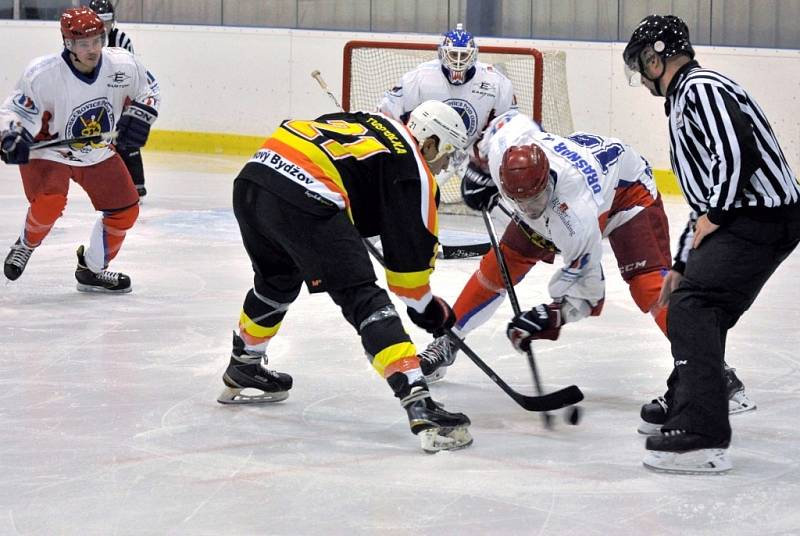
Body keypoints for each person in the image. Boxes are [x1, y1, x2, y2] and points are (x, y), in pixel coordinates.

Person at [215, 100, 474, 453]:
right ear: (429, 143)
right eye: (446, 155)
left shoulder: (373, 122)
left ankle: (244, 364)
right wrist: (433, 313)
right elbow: (408, 283)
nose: (445, 165)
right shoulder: (414, 170)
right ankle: (419, 403)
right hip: (304, 195)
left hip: (254, 178)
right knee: (363, 298)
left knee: (276, 280)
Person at [623, 14, 800, 473]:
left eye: (640, 67)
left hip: (760, 217)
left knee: (693, 307)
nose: (641, 80)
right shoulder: (684, 100)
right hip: (753, 218)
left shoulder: (700, 87)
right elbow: (702, 199)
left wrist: (719, 214)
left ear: (655, 56)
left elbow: (737, 150)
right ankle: (687, 396)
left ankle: (702, 436)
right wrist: (681, 263)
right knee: (692, 300)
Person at [417, 111, 674, 386]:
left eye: (534, 200)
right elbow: (504, 121)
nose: (529, 210)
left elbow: (590, 295)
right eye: (519, 202)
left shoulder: (576, 215)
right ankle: (450, 338)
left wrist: (552, 315)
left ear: (547, 183)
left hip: (627, 192)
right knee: (498, 266)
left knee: (648, 285)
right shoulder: (507, 146)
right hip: (575, 174)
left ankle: (702, 362)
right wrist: (478, 170)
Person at [1, 6, 160, 292]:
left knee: (125, 210)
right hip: (49, 151)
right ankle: (26, 244)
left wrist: (141, 116)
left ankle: (91, 270)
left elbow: (149, 90)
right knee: (49, 201)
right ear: (68, 44)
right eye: (84, 43)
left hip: (97, 151)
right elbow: (15, 111)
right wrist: (11, 135)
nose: (93, 49)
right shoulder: (43, 74)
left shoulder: (123, 64)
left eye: (97, 40)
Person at [378, 23, 517, 190]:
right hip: (431, 151)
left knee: (495, 194)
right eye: (452, 54)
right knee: (413, 191)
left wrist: (488, 158)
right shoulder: (418, 77)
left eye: (463, 55)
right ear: (442, 53)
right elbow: (388, 115)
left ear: (473, 56)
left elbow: (508, 127)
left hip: (473, 155)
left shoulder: (496, 82)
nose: (458, 61)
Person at [88, 0, 146, 199]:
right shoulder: (84, 42)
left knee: (127, 140)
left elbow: (130, 70)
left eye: (107, 22)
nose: (104, 27)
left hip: (120, 94)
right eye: (99, 22)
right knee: (102, 143)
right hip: (98, 98)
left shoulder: (122, 40)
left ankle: (136, 183)